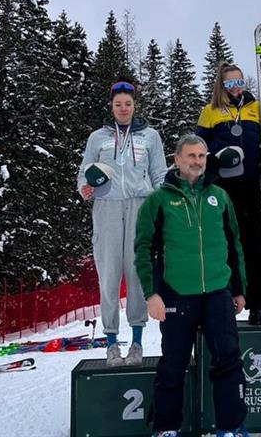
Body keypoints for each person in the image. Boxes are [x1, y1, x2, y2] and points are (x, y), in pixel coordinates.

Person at [134, 134, 249, 437]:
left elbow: (234, 244)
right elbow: (143, 249)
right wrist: (152, 293)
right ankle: (166, 428)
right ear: (177, 160)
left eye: (201, 156)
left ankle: (232, 427)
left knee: (228, 362)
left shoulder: (219, 197)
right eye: (191, 156)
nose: (197, 161)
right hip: (175, 295)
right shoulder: (158, 200)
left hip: (216, 293)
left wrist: (238, 289)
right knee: (173, 365)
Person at [77, 77, 167, 366]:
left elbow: (160, 174)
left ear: (134, 104)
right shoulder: (97, 137)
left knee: (138, 272)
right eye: (118, 104)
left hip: (140, 206)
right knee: (109, 273)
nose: (123, 109)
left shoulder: (150, 136)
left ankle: (137, 342)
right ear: (112, 105)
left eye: (128, 104)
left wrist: (162, 204)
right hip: (106, 207)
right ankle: (112, 342)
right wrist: (85, 188)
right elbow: (84, 173)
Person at [196, 61, 261, 325]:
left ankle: (256, 304)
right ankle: (225, 301)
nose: (235, 88)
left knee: (253, 247)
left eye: (239, 82)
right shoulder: (210, 112)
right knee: (222, 246)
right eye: (229, 83)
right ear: (220, 85)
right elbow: (197, 149)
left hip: (250, 187)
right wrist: (213, 162)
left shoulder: (258, 109)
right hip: (221, 189)